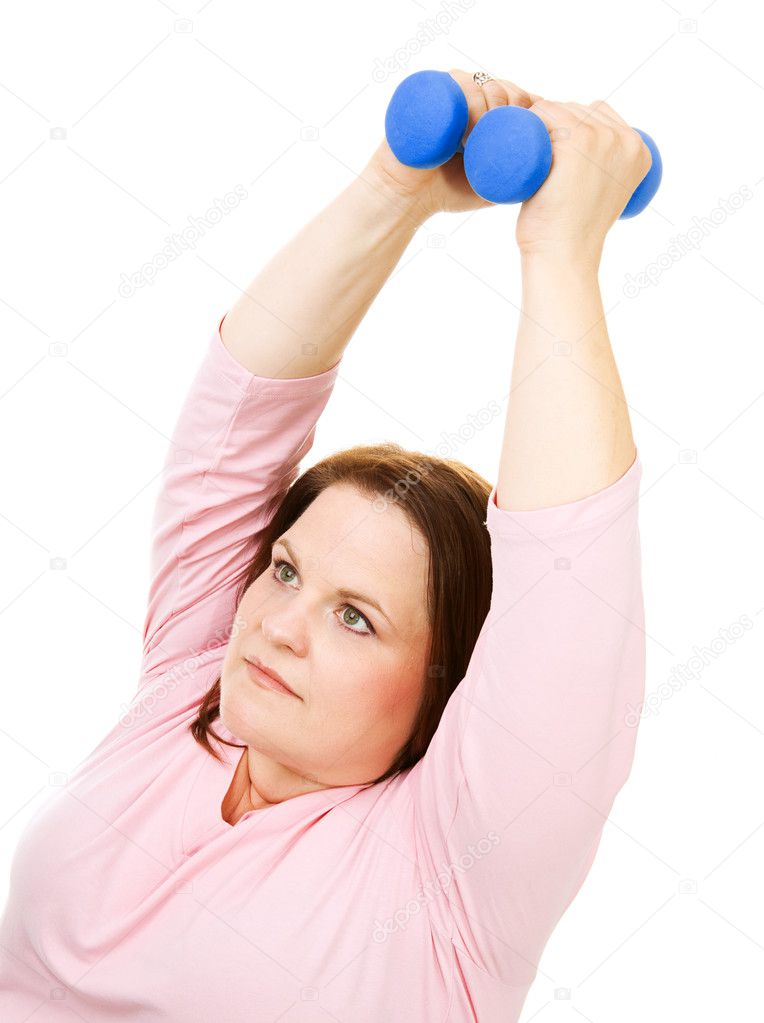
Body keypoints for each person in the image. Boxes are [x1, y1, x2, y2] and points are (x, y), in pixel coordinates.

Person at [0, 70, 650, 1021]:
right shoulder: (192, 683)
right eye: (286, 570)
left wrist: (558, 252)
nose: (278, 625)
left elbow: (568, 589)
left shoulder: (455, 875)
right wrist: (396, 188)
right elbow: (235, 426)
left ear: (447, 687)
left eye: (356, 616)